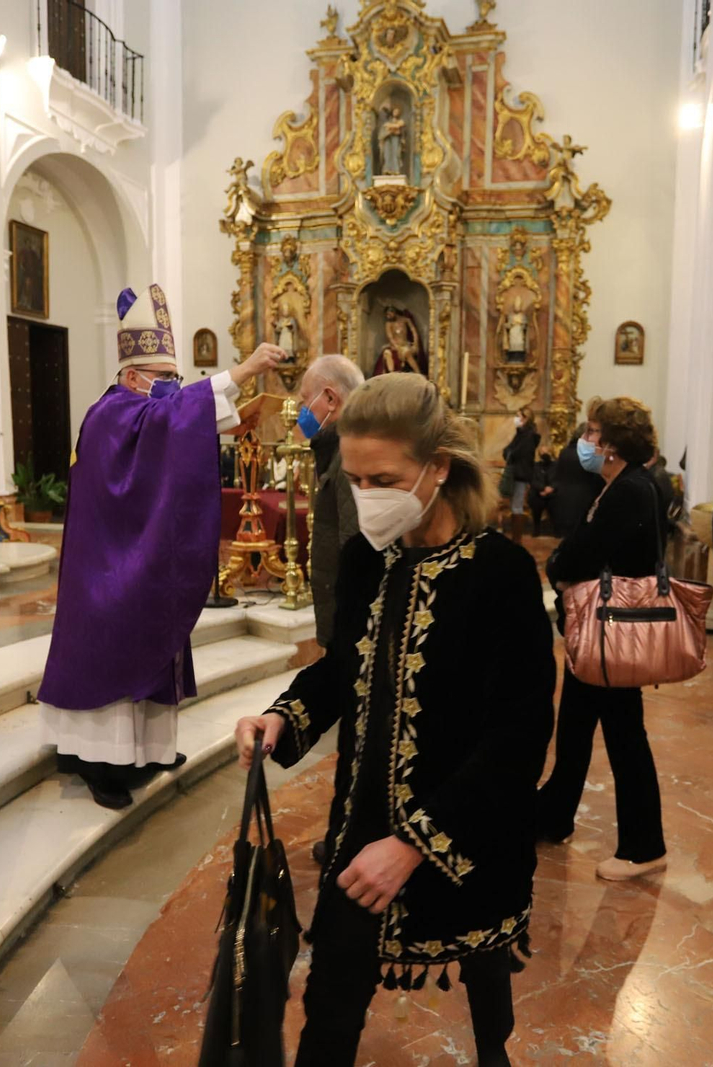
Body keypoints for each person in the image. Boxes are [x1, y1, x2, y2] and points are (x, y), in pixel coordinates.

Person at [234, 373, 555, 1066]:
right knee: (329, 1007)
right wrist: (282, 718)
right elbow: (341, 670)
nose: (366, 497)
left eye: (383, 478)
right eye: (354, 479)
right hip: (362, 829)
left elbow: (520, 732)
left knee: (487, 993)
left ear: (438, 467)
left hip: (467, 839)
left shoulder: (499, 572)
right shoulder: (364, 560)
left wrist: (414, 844)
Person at [38, 285, 284, 809]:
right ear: (131, 377)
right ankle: (98, 761)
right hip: (107, 568)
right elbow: (170, 420)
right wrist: (240, 373)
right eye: (164, 378)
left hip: (139, 556)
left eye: (176, 378)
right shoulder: (111, 413)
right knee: (113, 652)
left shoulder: (141, 409)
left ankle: (145, 750)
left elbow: (174, 425)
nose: (173, 387)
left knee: (153, 641)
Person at [536, 397, 670, 881]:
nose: (586, 441)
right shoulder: (620, 483)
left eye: (593, 433)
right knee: (574, 727)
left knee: (625, 736)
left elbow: (581, 554)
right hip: (598, 629)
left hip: (612, 630)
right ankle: (554, 815)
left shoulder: (631, 489)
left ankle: (644, 845)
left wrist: (558, 567)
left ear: (612, 443)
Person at [296, 353, 364, 868]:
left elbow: (352, 551)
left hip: (352, 621)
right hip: (346, 618)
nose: (300, 412)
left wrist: (344, 628)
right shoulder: (336, 451)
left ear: (330, 400)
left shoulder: (346, 460)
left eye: (304, 402)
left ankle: (349, 835)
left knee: (358, 736)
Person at [545, 422, 603, 540]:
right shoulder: (589, 453)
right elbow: (597, 478)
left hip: (563, 499)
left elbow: (557, 474)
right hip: (583, 500)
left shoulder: (565, 451)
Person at [501, 407, 540, 540]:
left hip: (521, 475)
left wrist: (509, 453)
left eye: (519, 416)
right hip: (517, 473)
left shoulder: (528, 435)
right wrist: (509, 453)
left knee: (517, 506)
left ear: (526, 418)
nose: (516, 419)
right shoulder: (521, 433)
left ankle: (517, 539)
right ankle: (515, 538)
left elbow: (515, 453)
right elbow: (507, 450)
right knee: (513, 506)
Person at [528, 449, 555, 535]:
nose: (545, 454)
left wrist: (551, 488)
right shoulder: (535, 466)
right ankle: (536, 528)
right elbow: (532, 480)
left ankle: (555, 529)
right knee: (535, 501)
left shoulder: (556, 465)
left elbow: (559, 479)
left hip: (552, 492)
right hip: (538, 493)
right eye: (542, 452)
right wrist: (542, 488)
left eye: (546, 452)